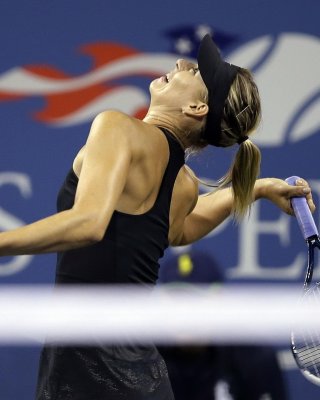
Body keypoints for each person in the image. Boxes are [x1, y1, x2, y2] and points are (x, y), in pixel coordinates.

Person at [0, 34, 314, 400]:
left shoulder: (117, 127)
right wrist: (254, 189)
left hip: (83, 367)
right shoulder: (184, 184)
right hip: (142, 376)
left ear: (197, 108)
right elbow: (181, 230)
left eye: (193, 70)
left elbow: (89, 223)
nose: (180, 64)